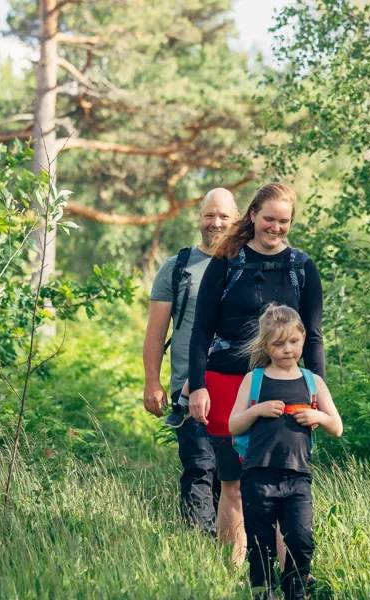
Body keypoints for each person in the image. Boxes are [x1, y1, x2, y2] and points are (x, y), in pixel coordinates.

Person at [185, 182, 326, 565]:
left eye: (283, 221)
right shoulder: (226, 261)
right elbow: (201, 331)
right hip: (226, 383)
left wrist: (316, 389)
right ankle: (233, 571)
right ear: (252, 215)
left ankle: (289, 572)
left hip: (284, 387)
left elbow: (313, 337)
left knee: (282, 483)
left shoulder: (302, 267)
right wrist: (197, 386)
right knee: (232, 484)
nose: (275, 227)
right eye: (268, 219)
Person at [229, 305, 342, 600]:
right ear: (266, 345)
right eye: (278, 344)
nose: (287, 350)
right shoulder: (254, 379)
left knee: (301, 537)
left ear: (303, 338)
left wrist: (318, 417)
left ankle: (295, 588)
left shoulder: (312, 382)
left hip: (298, 474)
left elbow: (337, 426)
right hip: (258, 473)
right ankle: (263, 591)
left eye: (293, 341)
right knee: (260, 540)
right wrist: (257, 410)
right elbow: (232, 424)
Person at [143, 188, 239, 534]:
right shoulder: (177, 267)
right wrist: (152, 381)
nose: (215, 223)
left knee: (231, 476)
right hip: (189, 388)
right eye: (209, 215)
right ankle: (202, 546)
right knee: (199, 467)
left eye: (224, 216)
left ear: (238, 219)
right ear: (198, 218)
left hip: (241, 389)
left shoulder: (248, 264)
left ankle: (232, 549)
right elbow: (156, 330)